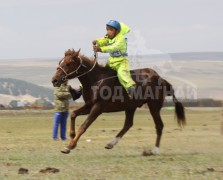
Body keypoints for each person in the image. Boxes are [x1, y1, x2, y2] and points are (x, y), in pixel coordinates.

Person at [92, 20, 136, 98]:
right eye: (107, 29)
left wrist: (101, 49)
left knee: (122, 74)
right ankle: (81, 88)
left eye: (111, 30)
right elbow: (104, 41)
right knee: (100, 72)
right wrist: (97, 42)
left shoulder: (120, 39)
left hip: (121, 62)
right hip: (111, 61)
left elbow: (113, 47)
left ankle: (131, 88)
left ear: (117, 31)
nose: (108, 31)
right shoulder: (108, 38)